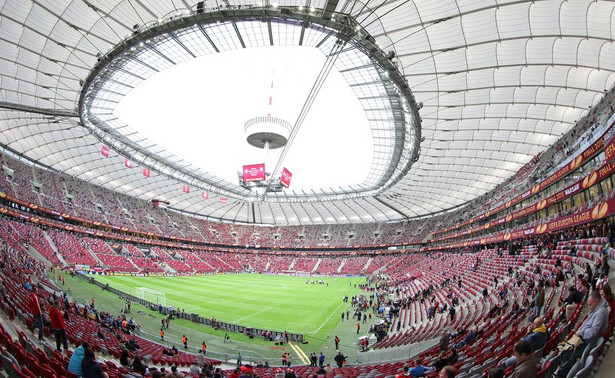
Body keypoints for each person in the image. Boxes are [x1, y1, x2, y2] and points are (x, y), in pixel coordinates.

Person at [556, 290, 609, 377]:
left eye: (590, 304)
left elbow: (593, 331)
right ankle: (565, 370)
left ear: (596, 301)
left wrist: (580, 332)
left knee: (567, 352)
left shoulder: (601, 312)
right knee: (564, 348)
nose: (589, 307)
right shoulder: (597, 308)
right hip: (584, 338)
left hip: (588, 341)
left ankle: (565, 373)